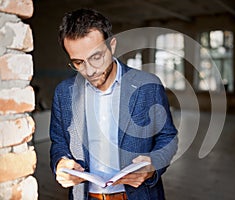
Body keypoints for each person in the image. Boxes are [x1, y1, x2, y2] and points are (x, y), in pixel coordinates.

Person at [49, 8, 178, 200]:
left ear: (112, 46)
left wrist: (153, 165)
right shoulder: (63, 93)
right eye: (78, 62)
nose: (90, 71)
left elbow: (168, 137)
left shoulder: (148, 85)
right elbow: (58, 142)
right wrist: (60, 163)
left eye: (96, 57)